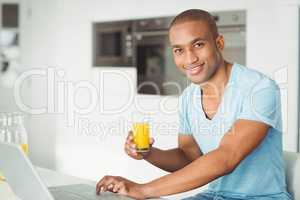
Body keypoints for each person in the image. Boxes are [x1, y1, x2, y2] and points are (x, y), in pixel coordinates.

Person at [96, 9, 292, 200]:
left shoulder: (259, 88)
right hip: (213, 196)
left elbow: (226, 157)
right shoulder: (189, 97)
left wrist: (143, 190)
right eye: (179, 50)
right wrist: (149, 153)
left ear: (219, 43)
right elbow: (189, 158)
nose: (189, 58)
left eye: (198, 45)